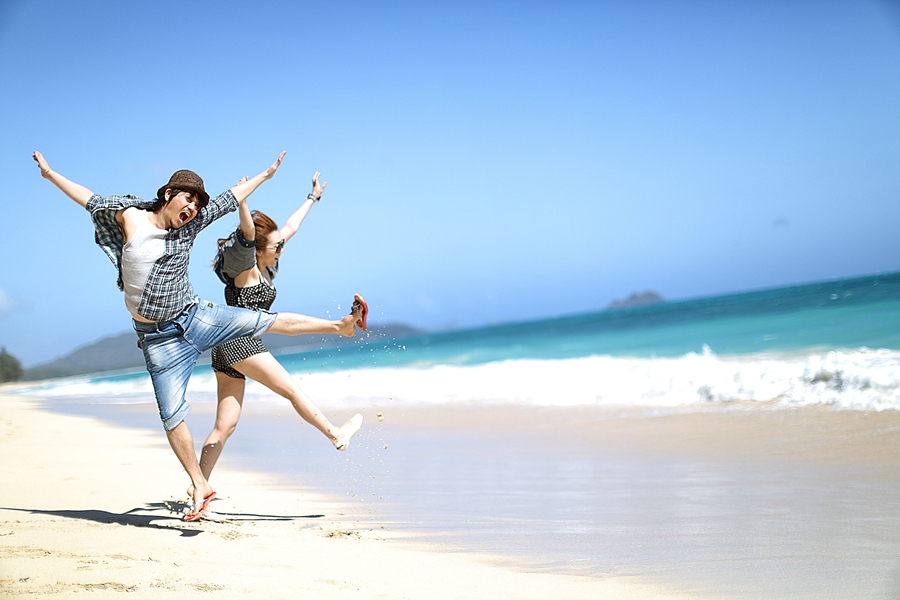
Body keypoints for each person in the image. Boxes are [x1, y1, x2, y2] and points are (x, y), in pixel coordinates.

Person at [32, 150, 367, 521]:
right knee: (172, 415)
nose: (193, 207)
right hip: (159, 338)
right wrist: (50, 173)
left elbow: (228, 201)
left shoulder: (192, 229)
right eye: (188, 198)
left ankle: (339, 327)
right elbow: (90, 199)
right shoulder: (133, 217)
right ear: (169, 194)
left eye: (197, 203)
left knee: (258, 335)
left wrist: (274, 179)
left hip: (193, 316)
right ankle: (200, 484)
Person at [196, 172, 363, 491]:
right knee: (293, 391)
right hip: (240, 344)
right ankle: (335, 434)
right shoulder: (246, 269)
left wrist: (312, 198)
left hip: (224, 349)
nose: (281, 250)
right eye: (276, 247)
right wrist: (242, 200)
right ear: (256, 249)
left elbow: (289, 227)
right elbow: (248, 231)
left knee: (224, 427)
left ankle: (198, 487)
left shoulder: (266, 265)